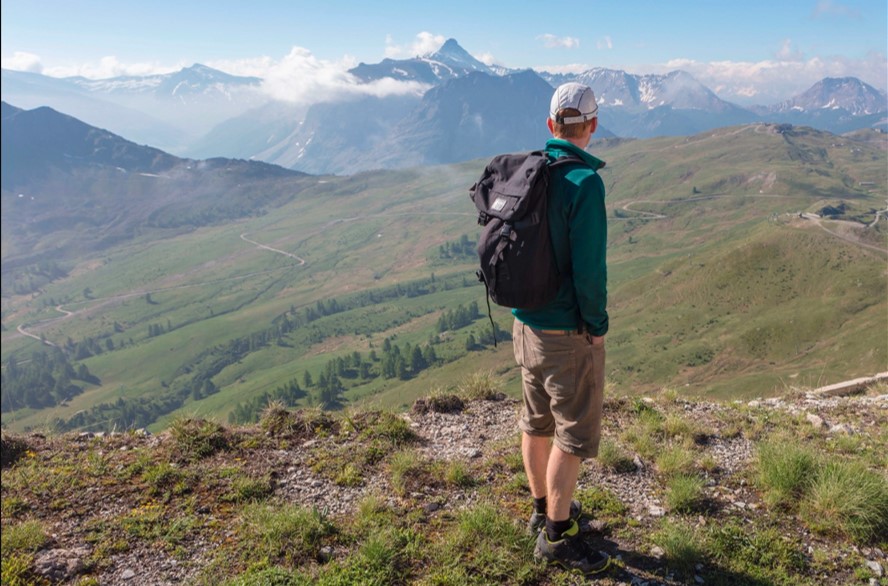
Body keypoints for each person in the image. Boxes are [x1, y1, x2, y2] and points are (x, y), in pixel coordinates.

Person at [512, 81, 610, 575]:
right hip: (566, 334)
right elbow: (590, 272)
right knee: (571, 436)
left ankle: (540, 509)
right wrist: (597, 327)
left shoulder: (530, 171)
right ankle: (557, 535)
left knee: (536, 422)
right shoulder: (584, 183)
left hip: (524, 324)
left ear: (551, 125)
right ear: (592, 125)